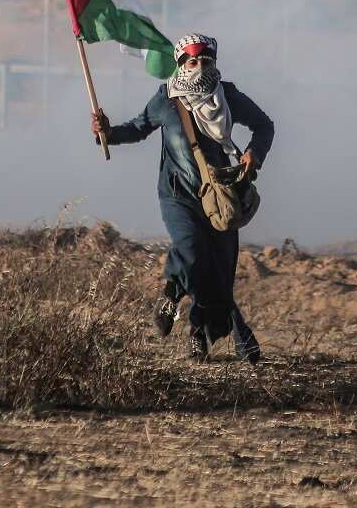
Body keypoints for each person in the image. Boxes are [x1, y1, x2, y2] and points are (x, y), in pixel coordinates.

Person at [91, 33, 274, 364]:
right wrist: (108, 132)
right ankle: (173, 292)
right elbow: (138, 127)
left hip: (219, 201)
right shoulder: (167, 98)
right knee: (190, 250)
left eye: (207, 61)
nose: (200, 67)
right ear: (180, 64)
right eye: (193, 62)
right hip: (177, 195)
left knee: (219, 275)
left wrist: (253, 155)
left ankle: (198, 337)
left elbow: (264, 125)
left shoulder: (227, 96)